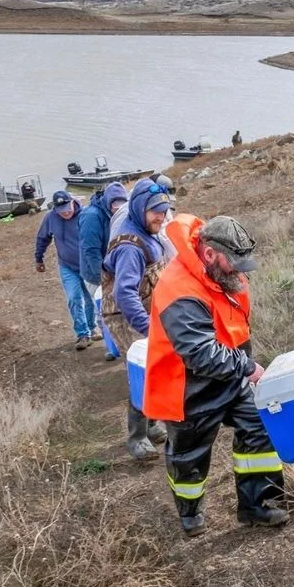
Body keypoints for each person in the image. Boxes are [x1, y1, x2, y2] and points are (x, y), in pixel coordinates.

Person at [143, 214, 288, 537]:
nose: (239, 271)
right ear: (209, 253)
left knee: (259, 427)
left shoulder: (222, 273)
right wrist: (247, 367)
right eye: (233, 263)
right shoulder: (178, 288)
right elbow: (199, 354)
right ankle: (190, 513)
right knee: (189, 458)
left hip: (229, 375)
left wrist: (241, 366)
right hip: (186, 387)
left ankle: (257, 506)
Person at [101, 182, 175, 460]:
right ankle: (137, 438)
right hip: (124, 316)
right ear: (140, 208)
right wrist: (149, 328)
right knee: (142, 372)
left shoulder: (150, 232)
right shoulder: (130, 247)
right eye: (155, 212)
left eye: (164, 211)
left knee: (156, 370)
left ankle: (153, 424)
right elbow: (124, 294)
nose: (161, 217)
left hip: (146, 311)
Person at [34, 191, 97, 350]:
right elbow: (43, 238)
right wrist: (39, 258)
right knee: (74, 298)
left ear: (72, 202)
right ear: (55, 208)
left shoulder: (86, 215)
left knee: (90, 298)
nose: (66, 212)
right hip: (67, 266)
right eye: (61, 210)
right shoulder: (51, 218)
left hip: (87, 265)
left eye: (67, 208)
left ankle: (92, 327)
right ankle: (82, 334)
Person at [79, 181, 128, 353]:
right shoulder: (92, 216)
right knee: (104, 309)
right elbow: (90, 250)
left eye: (122, 204)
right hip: (95, 272)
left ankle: (122, 343)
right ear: (107, 202)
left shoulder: (122, 212)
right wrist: (103, 278)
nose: (118, 208)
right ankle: (111, 347)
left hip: (114, 269)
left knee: (120, 307)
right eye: (115, 205)